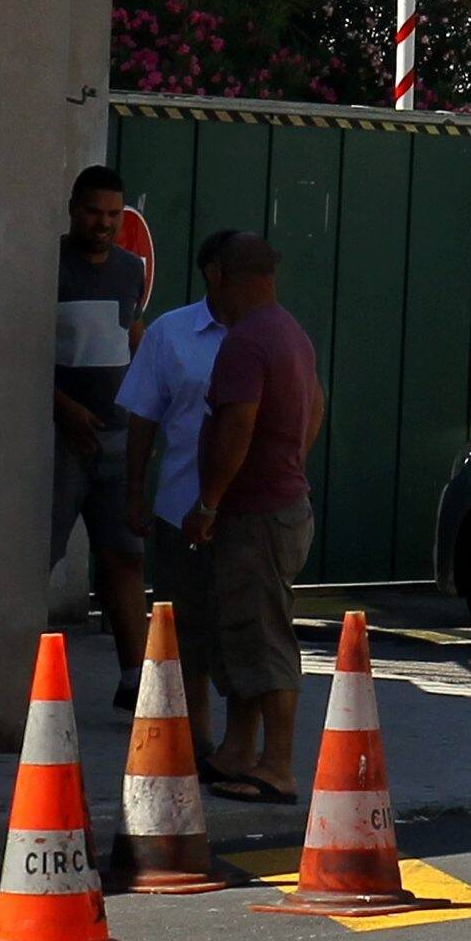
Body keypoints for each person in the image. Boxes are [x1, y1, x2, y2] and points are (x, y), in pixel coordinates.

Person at [182, 233, 320, 807]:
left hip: (256, 515)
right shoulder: (288, 331)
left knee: (263, 636)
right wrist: (291, 462)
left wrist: (208, 502)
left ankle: (277, 766)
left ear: (218, 275)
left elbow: (237, 425)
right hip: (274, 506)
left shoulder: (246, 340)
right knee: (238, 632)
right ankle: (237, 752)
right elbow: (316, 404)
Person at [117, 229, 237, 729]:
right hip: (179, 509)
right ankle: (194, 737)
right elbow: (143, 417)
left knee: (241, 633)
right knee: (183, 632)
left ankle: (242, 745)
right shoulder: (170, 332)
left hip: (247, 514)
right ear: (215, 274)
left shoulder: (271, 334)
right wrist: (134, 494)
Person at [50, 165, 150, 656]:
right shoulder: (47, 265)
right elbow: (17, 353)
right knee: (35, 557)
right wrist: (63, 407)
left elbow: (132, 336)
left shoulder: (131, 269)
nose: (104, 223)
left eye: (113, 214)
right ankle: (11, 676)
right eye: (93, 212)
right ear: (73, 209)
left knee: (125, 557)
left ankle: (137, 681)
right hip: (57, 441)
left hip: (117, 438)